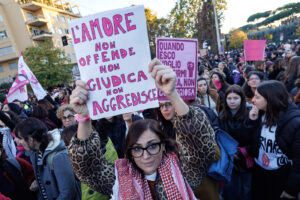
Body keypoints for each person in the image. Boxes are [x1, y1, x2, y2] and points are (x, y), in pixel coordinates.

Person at [68, 58, 216, 199]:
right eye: (137, 149)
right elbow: (87, 168)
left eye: (152, 146)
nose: (146, 156)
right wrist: (84, 118)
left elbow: (200, 144)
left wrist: (172, 95)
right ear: (129, 153)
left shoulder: (183, 171)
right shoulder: (121, 179)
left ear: (163, 145)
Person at [249, 80, 300, 200]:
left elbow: (299, 161)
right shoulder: (260, 114)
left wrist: (291, 189)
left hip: (281, 177)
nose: (253, 100)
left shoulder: (294, 122)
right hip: (259, 172)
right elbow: (250, 143)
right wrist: (251, 121)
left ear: (270, 99)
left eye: (257, 97)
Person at [14, 118, 80, 200]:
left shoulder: (59, 157)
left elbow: (68, 193)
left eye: (20, 138)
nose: (16, 141)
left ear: (31, 139)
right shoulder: (35, 152)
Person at [218, 85, 256, 200]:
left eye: (236, 98)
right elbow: (220, 138)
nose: (232, 101)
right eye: (229, 98)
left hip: (246, 159)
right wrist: (230, 152)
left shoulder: (250, 115)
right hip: (229, 160)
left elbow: (255, 137)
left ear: (242, 99)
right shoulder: (222, 116)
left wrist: (243, 152)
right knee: (230, 190)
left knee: (246, 190)